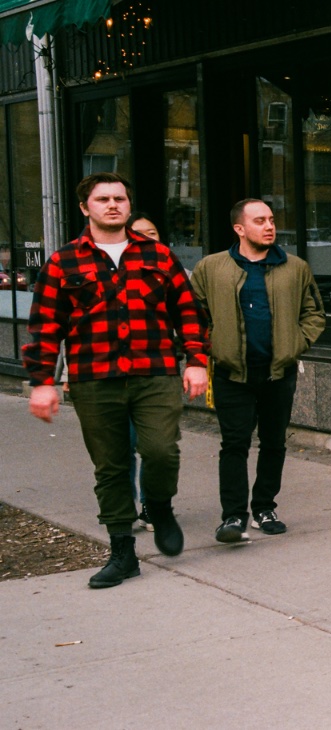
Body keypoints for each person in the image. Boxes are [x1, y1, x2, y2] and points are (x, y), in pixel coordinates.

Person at [23, 172, 209, 589]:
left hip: (155, 372)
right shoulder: (63, 262)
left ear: (128, 205)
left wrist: (196, 360)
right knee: (111, 466)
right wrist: (42, 381)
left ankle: (159, 507)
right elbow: (45, 327)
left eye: (120, 198)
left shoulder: (158, 255)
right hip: (94, 379)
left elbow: (189, 312)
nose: (113, 205)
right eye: (103, 199)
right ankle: (122, 551)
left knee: (161, 451)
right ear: (84, 207)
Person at [189, 199, 326, 543]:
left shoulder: (294, 268)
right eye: (260, 220)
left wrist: (296, 343)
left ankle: (265, 506)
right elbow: (193, 316)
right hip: (231, 373)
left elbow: (314, 313)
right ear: (240, 228)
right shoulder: (211, 267)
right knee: (234, 444)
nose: (269, 226)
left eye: (271, 220)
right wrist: (214, 345)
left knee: (274, 442)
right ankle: (233, 517)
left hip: (277, 372)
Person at [126, 213, 161, 532]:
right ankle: (124, 506)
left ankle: (152, 504)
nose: (148, 238)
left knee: (155, 446)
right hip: (112, 375)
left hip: (158, 373)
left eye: (153, 232)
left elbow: (193, 317)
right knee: (121, 446)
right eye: (140, 233)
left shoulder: (176, 272)